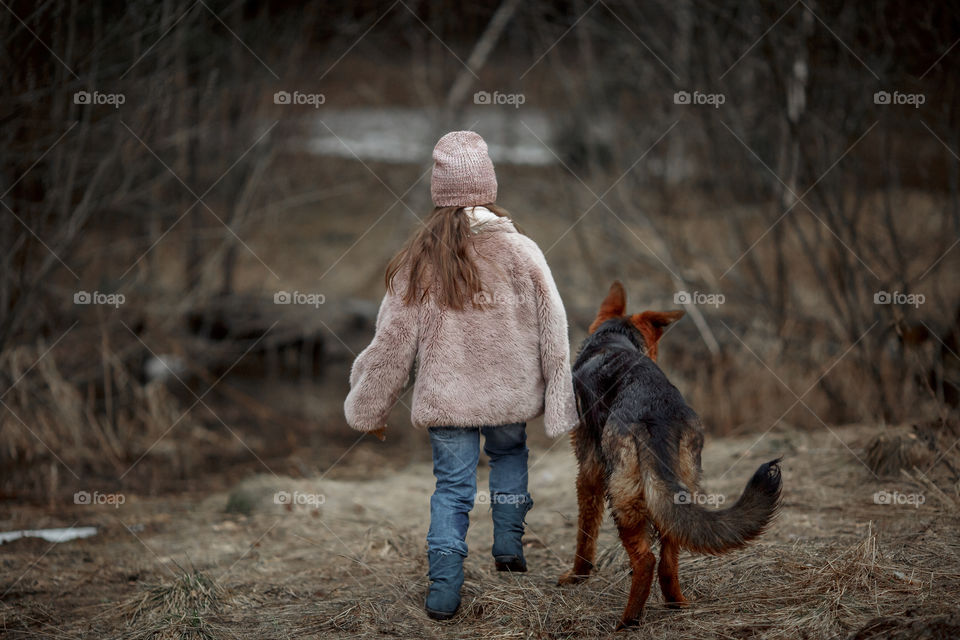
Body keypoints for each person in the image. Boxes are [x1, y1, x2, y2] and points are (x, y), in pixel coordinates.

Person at [344, 130, 577, 620]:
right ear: (488, 188)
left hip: (449, 399)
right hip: (509, 394)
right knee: (510, 455)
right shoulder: (523, 251)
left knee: (452, 489)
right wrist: (559, 398)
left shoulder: (419, 260)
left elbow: (390, 347)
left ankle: (444, 591)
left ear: (439, 192)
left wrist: (370, 406)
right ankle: (509, 546)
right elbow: (554, 327)